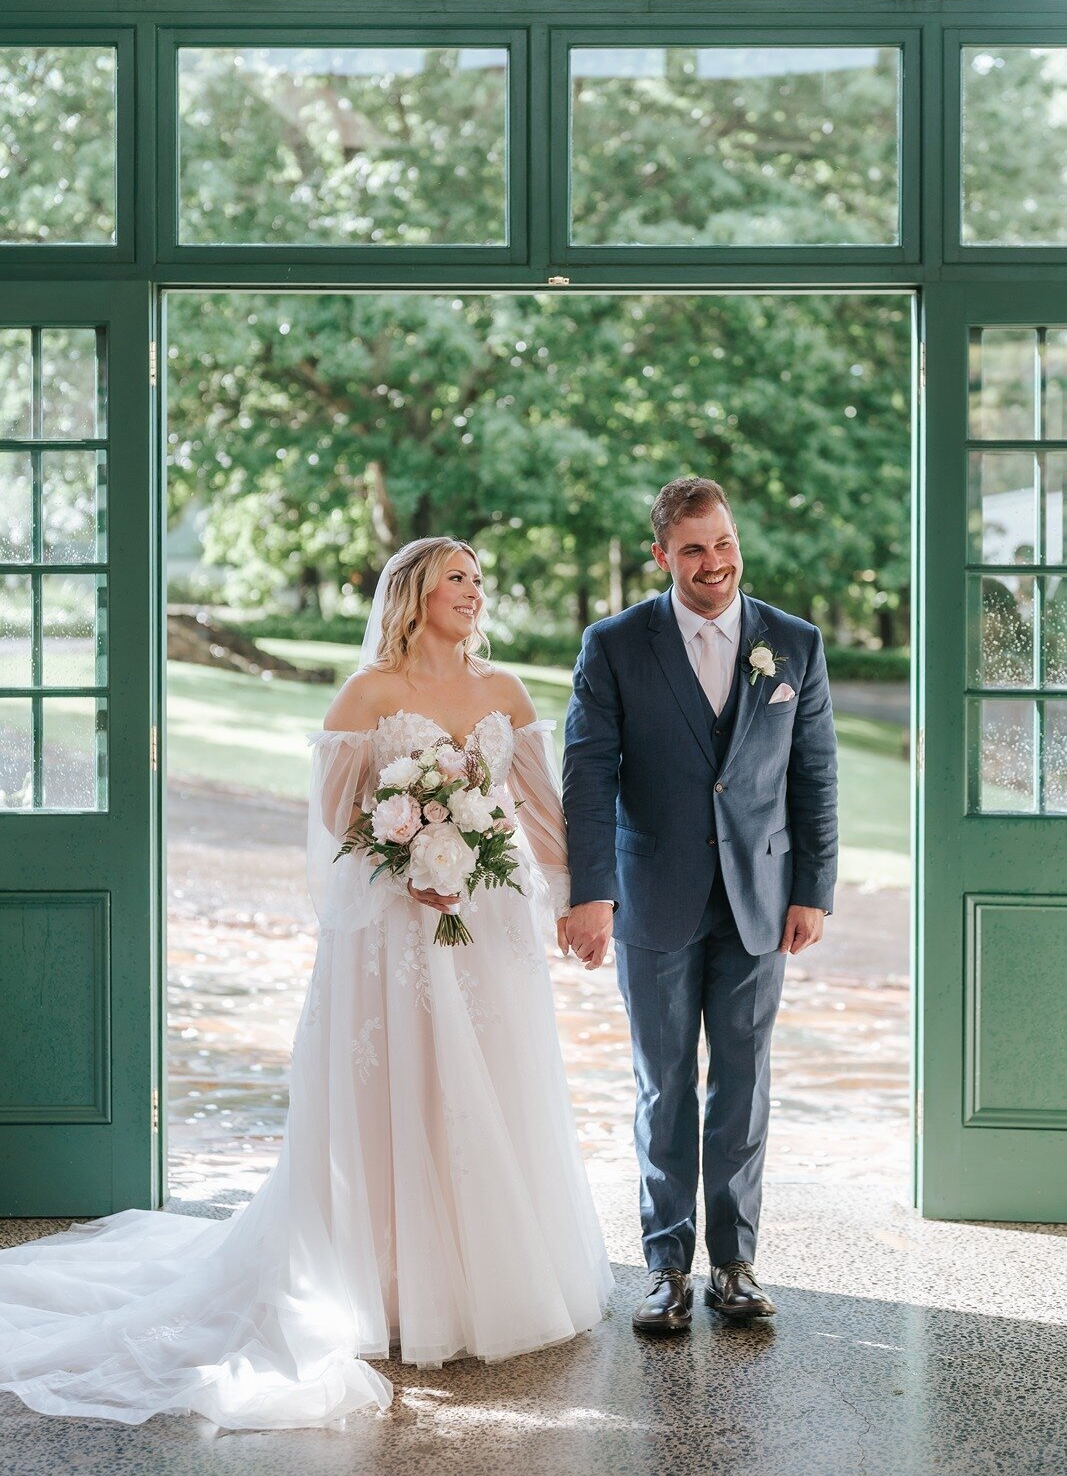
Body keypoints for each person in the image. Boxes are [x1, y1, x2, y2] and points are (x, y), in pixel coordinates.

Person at [0, 536, 612, 1430]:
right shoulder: (367, 695)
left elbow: (544, 814)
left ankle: (486, 1276)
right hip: (394, 929)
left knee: (490, 1086)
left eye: (479, 580)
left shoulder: (503, 693)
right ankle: (387, 1285)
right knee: (395, 1089)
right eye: (456, 579)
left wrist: (578, 903)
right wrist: (410, 852)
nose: (473, 594)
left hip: (488, 926)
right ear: (413, 593)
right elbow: (335, 825)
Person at [562, 478, 837, 1335]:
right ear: (661, 556)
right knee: (664, 1083)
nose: (712, 563)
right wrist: (592, 893)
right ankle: (666, 1267)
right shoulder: (614, 644)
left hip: (762, 897)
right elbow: (587, 775)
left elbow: (814, 775)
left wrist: (813, 890)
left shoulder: (792, 642)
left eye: (721, 545)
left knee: (744, 1084)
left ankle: (736, 1267)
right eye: (692, 550)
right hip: (654, 897)